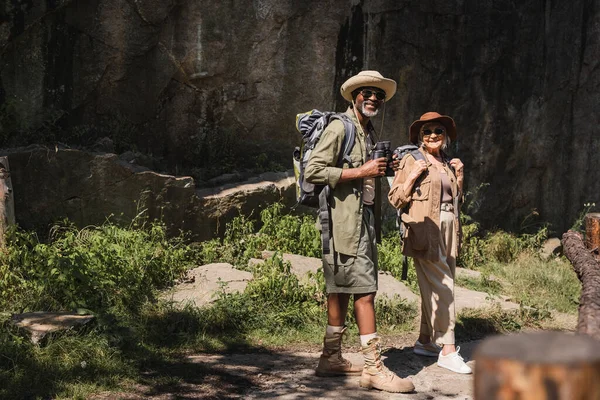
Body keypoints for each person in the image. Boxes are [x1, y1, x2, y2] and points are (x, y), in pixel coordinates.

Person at [305, 70, 415, 393]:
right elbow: (313, 169)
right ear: (355, 96)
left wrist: (384, 168)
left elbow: (365, 177)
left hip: (359, 221)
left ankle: (331, 357)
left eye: (378, 95)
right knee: (365, 292)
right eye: (367, 92)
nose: (373, 98)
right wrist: (362, 170)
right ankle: (373, 368)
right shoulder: (341, 127)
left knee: (338, 289)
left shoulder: (365, 132)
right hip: (343, 223)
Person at [388, 112, 471, 374]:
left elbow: (454, 199)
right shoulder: (412, 160)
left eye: (438, 131)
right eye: (427, 132)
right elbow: (395, 198)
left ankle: (425, 341)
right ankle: (447, 350)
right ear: (419, 137)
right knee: (443, 286)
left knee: (436, 283)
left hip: (449, 227)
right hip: (425, 228)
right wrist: (412, 176)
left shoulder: (447, 162)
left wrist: (459, 177)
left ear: (446, 136)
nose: (433, 135)